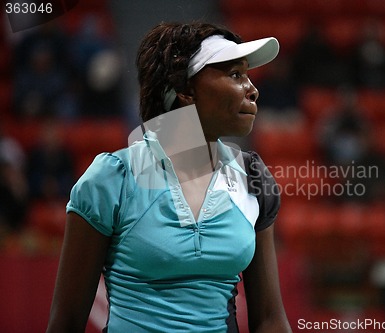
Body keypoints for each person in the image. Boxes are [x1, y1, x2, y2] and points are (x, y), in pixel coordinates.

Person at [46, 22, 292, 333]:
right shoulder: (112, 179)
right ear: (186, 91)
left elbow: (269, 318)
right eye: (235, 75)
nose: (252, 89)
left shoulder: (253, 178)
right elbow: (66, 322)